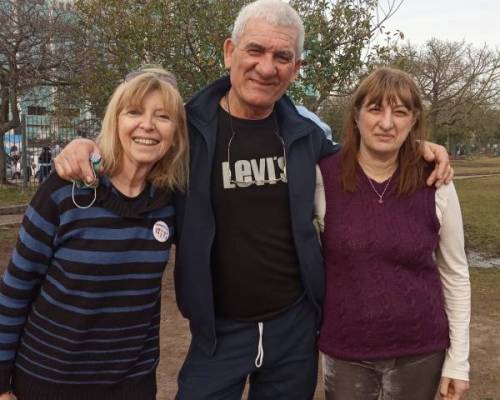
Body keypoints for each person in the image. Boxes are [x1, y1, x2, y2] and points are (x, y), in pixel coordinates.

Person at [53, 1, 453, 398]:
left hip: (294, 328)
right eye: (256, 50)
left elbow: (364, 156)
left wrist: (416, 147)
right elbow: (132, 153)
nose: (267, 67)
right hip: (217, 331)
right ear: (229, 52)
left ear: (295, 68)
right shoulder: (186, 129)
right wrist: (87, 149)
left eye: (282, 56)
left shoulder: (307, 134)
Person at [0, 67, 189, 400]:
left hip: (130, 386)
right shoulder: (63, 191)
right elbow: (16, 288)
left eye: (163, 116)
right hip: (46, 383)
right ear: (115, 120)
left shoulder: (170, 202)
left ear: (176, 132)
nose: (147, 125)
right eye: (134, 112)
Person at [315, 67, 470, 400]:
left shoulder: (436, 181)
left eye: (400, 112)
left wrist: (459, 362)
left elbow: (455, 274)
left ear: (413, 121)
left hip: (421, 352)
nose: (387, 123)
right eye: (375, 109)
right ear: (356, 114)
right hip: (346, 353)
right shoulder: (322, 177)